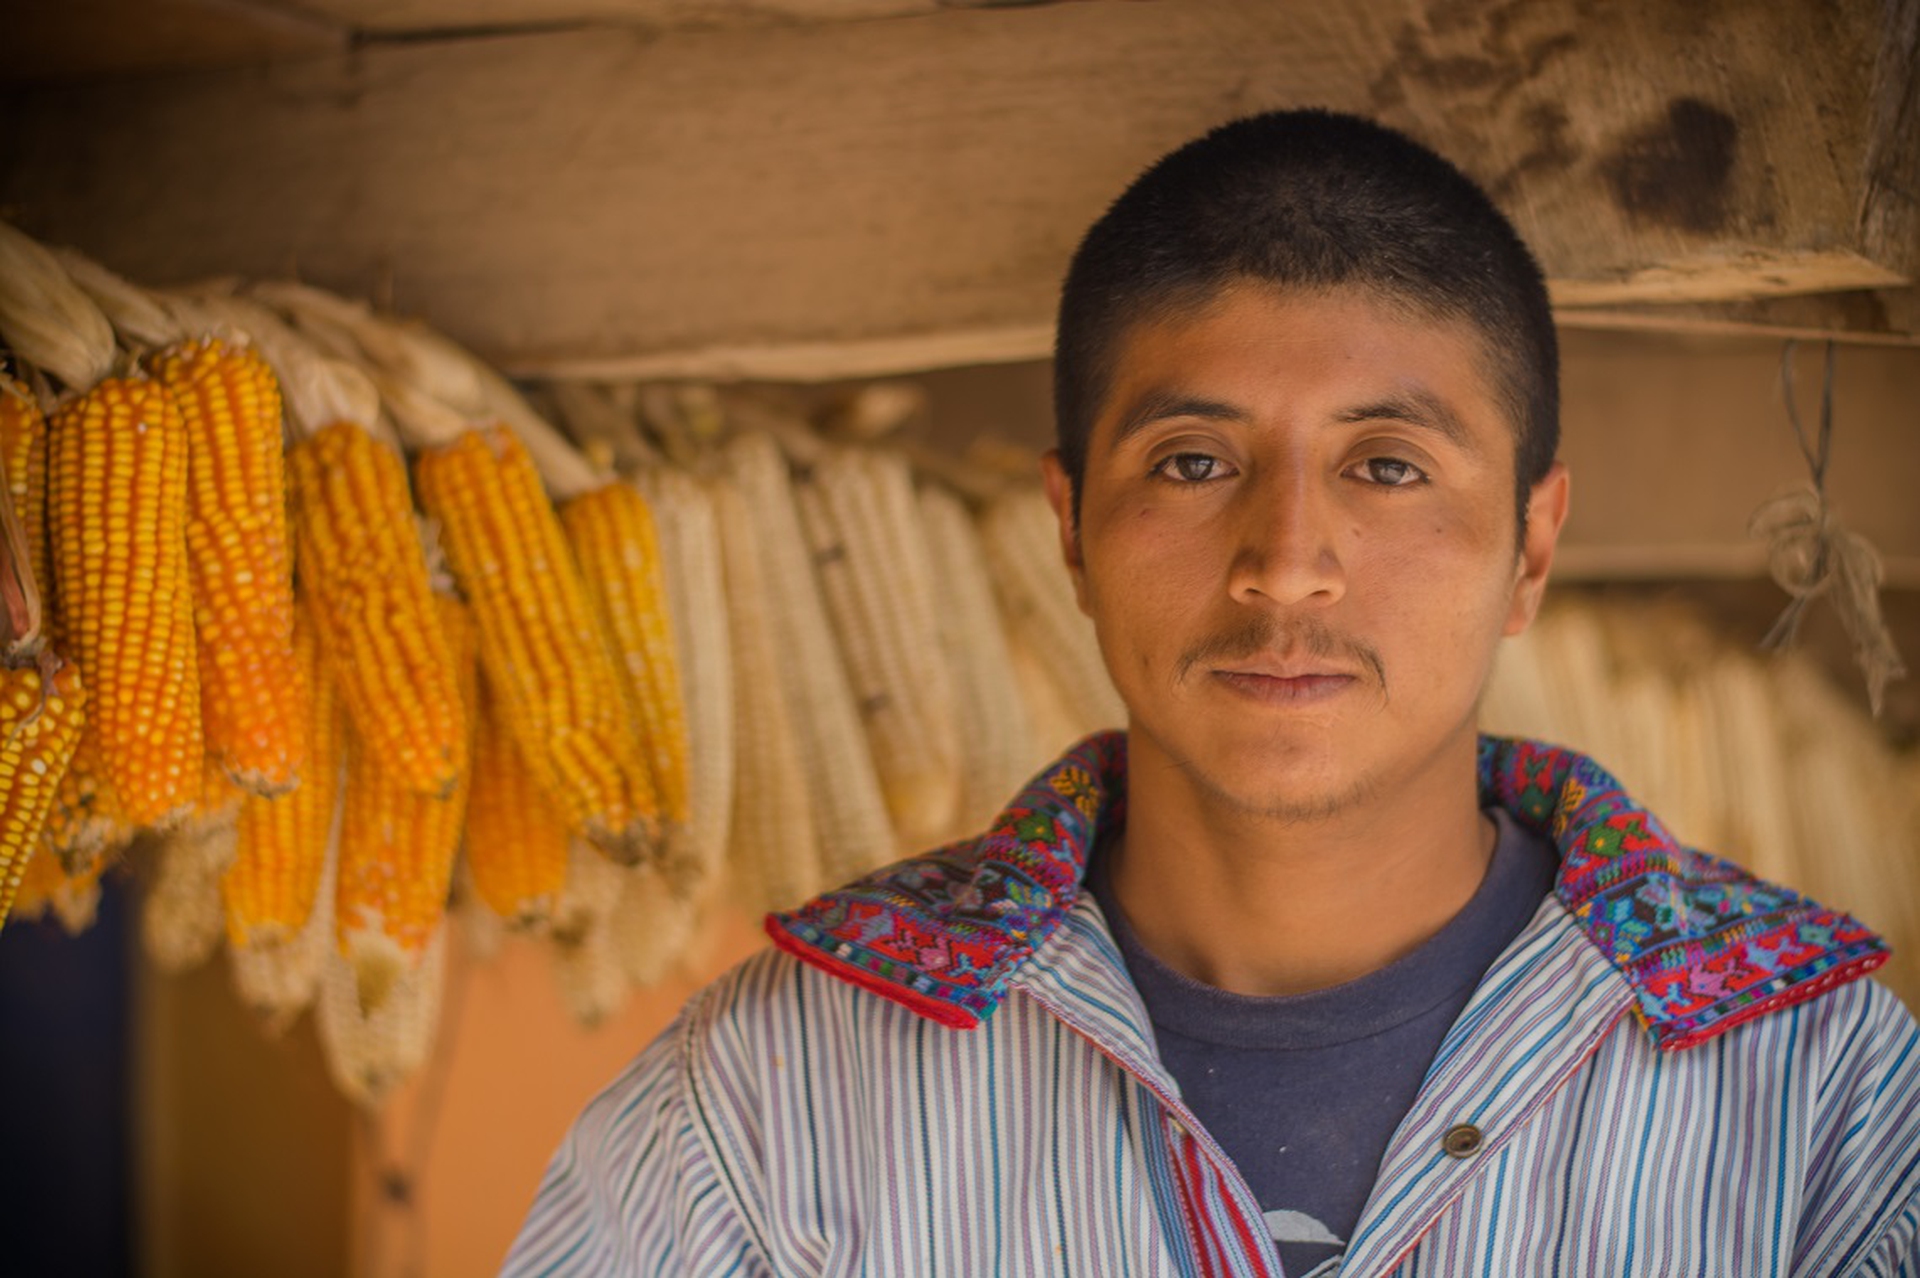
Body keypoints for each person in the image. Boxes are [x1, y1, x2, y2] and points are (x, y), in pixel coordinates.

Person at [503, 111, 1920, 1277]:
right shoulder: (772, 1101)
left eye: (1388, 466)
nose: (1287, 564)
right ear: (1071, 532)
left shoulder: (1824, 1100)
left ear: (1530, 548)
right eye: (1193, 461)